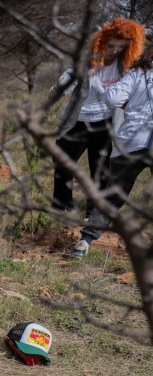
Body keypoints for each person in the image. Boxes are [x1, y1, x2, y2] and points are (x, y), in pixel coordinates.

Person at [52, 18, 145, 257]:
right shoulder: (90, 60)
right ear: (103, 41)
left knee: (99, 170)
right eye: (112, 45)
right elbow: (65, 81)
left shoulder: (127, 66)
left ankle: (92, 215)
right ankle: (62, 208)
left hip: (104, 124)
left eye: (121, 46)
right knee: (63, 163)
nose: (115, 50)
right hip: (77, 121)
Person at [74, 42, 153, 257]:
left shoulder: (138, 72)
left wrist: (131, 103)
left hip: (130, 141)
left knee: (112, 196)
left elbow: (113, 98)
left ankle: (86, 241)